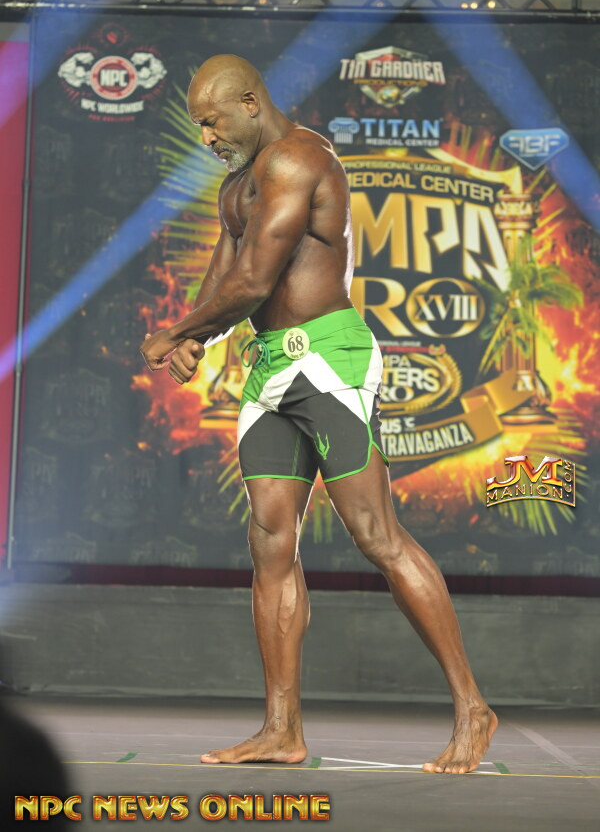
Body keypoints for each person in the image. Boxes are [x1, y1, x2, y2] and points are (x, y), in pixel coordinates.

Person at [140, 54, 498, 773]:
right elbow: (224, 271)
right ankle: (281, 730)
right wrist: (195, 338)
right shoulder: (238, 183)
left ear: (249, 102)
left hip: (329, 360)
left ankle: (473, 708)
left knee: (376, 534)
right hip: (271, 368)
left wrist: (172, 332)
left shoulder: (298, 160)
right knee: (271, 541)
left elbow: (255, 279)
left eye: (213, 122)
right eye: (198, 126)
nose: (206, 137)